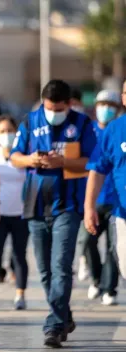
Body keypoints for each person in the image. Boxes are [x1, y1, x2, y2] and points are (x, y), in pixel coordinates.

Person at [10, 79, 96, 348]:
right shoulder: (30, 120)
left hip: (68, 207)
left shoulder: (82, 124)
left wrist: (63, 162)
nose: (53, 112)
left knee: (60, 267)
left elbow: (92, 161)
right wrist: (31, 159)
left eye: (58, 108)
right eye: (49, 107)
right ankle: (63, 314)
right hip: (35, 205)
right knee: (45, 270)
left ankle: (54, 325)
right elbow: (14, 156)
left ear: (68, 104)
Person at [77, 90, 121, 306]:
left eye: (110, 104)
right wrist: (88, 205)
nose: (106, 108)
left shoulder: (118, 129)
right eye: (102, 103)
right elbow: (91, 167)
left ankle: (109, 288)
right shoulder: (88, 130)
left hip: (116, 201)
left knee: (114, 247)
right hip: (95, 199)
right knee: (86, 241)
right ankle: (96, 278)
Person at [0, 115, 29, 311]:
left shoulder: (24, 155)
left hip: (22, 214)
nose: (6, 135)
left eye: (10, 131)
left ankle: (20, 295)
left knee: (19, 255)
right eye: (2, 131)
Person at [85, 80, 126, 285]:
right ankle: (98, 282)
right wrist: (89, 207)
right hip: (121, 212)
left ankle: (108, 288)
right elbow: (97, 170)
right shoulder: (114, 130)